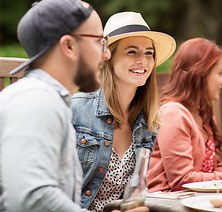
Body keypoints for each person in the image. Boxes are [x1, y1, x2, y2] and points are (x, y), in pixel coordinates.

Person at [0, 0, 110, 211]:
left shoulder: (46, 99)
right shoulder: (36, 100)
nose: (107, 54)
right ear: (69, 46)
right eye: (99, 41)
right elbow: (31, 198)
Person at [71, 12, 176, 211]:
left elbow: (136, 192)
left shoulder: (148, 122)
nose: (143, 61)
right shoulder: (76, 110)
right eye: (132, 52)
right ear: (108, 58)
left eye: (148, 53)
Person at [147, 38, 222, 193]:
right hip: (167, 200)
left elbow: (215, 167)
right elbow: (182, 181)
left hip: (197, 197)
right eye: (220, 73)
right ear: (200, 74)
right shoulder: (173, 114)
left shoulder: (203, 112)